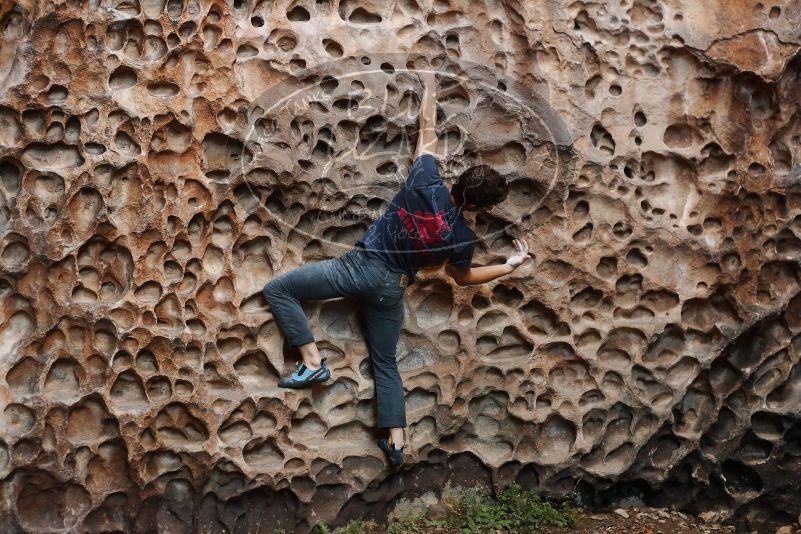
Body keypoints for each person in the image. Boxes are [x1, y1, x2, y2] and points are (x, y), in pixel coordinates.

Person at [262, 70, 531, 467]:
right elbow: (461, 279)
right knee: (386, 363)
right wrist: (507, 266)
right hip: (392, 289)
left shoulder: (426, 180)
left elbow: (427, 128)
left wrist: (431, 88)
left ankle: (314, 363)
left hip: (358, 267)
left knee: (279, 290)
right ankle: (397, 442)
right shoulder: (462, 238)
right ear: (483, 208)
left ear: (458, 180)